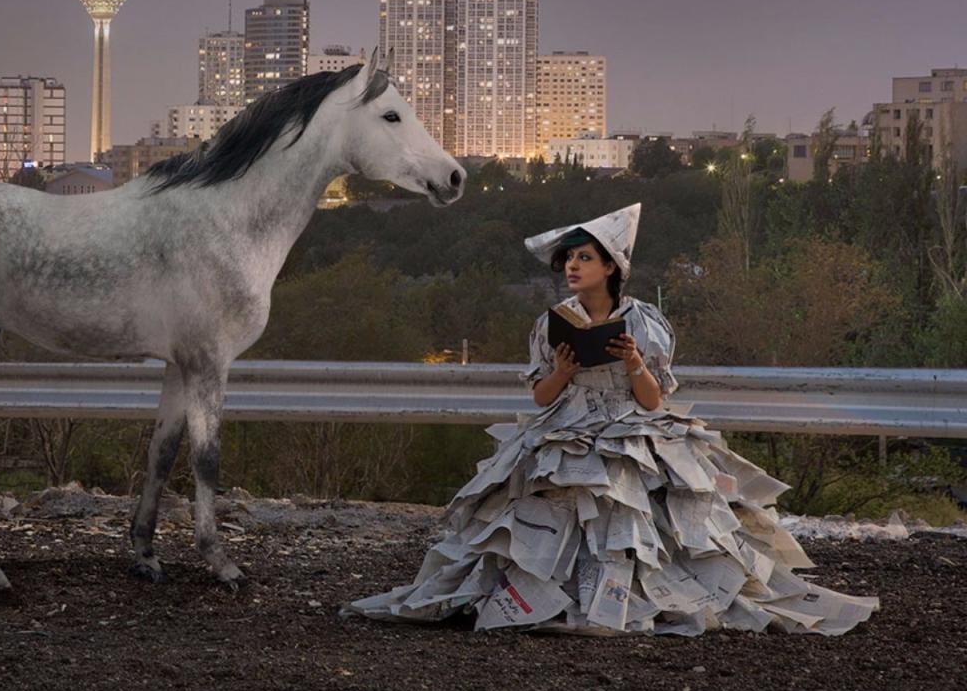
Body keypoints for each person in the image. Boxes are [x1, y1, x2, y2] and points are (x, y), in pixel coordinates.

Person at [345, 203, 878, 636]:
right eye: (569, 260)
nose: (573, 267)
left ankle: (624, 599)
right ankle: (545, 597)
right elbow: (540, 397)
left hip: (631, 427)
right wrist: (562, 369)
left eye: (584, 258)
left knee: (626, 509)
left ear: (611, 267)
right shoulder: (551, 323)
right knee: (545, 500)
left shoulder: (644, 322)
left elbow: (652, 401)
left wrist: (633, 361)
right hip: (566, 426)